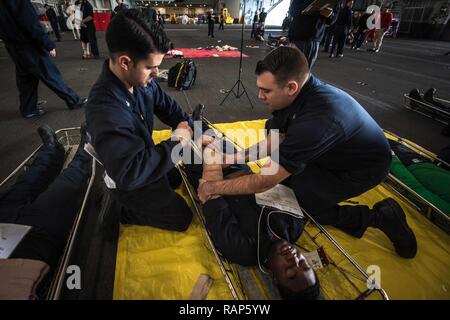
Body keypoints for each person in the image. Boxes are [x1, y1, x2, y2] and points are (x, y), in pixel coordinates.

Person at [197, 47, 417, 259]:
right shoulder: (293, 97)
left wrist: (212, 187)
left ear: (291, 86)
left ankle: (380, 217)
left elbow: (264, 181)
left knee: (299, 206)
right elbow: (273, 141)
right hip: (328, 153)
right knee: (285, 187)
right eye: (260, 88)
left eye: (266, 90)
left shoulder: (317, 120)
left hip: (361, 168)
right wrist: (232, 158)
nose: (260, 96)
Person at [85, 9, 194, 232]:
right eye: (150, 67)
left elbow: (171, 110)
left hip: (138, 154)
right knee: (181, 217)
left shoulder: (141, 80)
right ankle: (115, 208)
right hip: (127, 174)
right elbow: (131, 171)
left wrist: (195, 129)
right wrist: (179, 144)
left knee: (174, 178)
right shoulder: (104, 109)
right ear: (125, 62)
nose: (157, 73)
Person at [184, 148, 320, 300]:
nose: (294, 258)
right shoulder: (295, 224)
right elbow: (277, 179)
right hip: (238, 162)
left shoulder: (241, 249)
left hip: (204, 169)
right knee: (202, 128)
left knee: (187, 131)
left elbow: (211, 195)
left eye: (289, 270)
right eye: (304, 264)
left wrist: (211, 157)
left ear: (274, 279)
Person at [1, 125, 92, 273]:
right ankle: (86, 150)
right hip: (29, 248)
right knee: (68, 182)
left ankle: (52, 149)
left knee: (29, 179)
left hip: (3, 218)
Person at [0, 0, 86, 118]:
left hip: (12, 45)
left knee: (25, 77)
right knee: (50, 74)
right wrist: (47, 44)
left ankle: (28, 109)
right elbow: (30, 22)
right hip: (28, 44)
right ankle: (74, 101)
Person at [288, 0, 335, 68]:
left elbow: (334, 17)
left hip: (314, 37)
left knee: (304, 71)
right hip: (297, 34)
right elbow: (292, 10)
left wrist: (331, 15)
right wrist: (313, 7)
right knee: (290, 68)